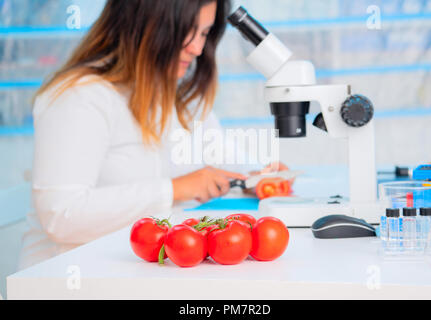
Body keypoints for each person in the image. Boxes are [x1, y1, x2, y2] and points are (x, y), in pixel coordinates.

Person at [19, 0, 289, 269]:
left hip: (144, 271)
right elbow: (63, 216)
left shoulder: (175, 93)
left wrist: (257, 177)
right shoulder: (80, 97)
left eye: (204, 34)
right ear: (141, 24)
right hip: (70, 275)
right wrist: (175, 189)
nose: (196, 48)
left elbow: (224, 158)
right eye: (187, 30)